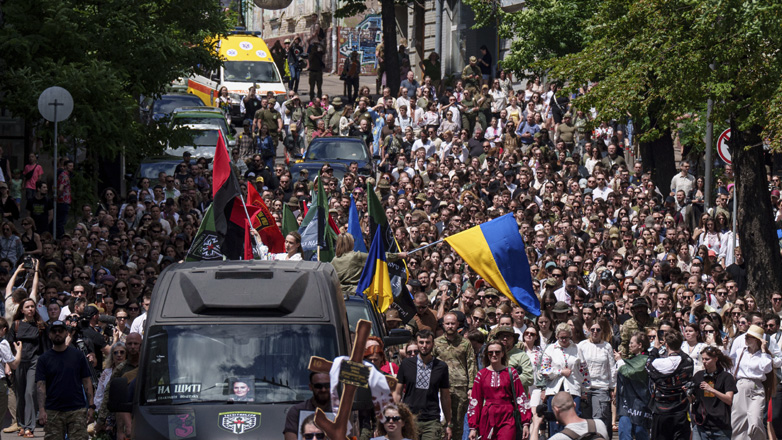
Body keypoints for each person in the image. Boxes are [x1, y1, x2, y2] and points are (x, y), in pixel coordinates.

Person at [35, 320, 95, 440]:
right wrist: (41, 410)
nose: (57, 333)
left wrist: (91, 406)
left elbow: (87, 380)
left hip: (76, 409)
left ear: (66, 333)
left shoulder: (77, 355)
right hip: (53, 410)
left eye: (60, 331)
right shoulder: (43, 359)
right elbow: (41, 386)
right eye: (54, 331)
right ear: (49, 335)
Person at [393, 329, 453, 440]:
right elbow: (397, 393)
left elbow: (445, 396)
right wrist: (394, 416)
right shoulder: (406, 364)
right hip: (409, 418)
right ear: (417, 343)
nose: (424, 346)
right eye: (421, 342)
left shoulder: (441, 367)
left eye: (427, 342)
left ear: (433, 344)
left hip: (432, 419)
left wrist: (448, 424)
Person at [467, 339, 531, 440]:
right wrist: (473, 427)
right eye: (490, 352)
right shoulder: (481, 374)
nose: (494, 355)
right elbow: (475, 401)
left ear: (502, 354)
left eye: (497, 352)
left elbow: (521, 397)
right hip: (487, 417)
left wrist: (525, 423)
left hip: (507, 416)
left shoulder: (511, 373)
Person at [9, 297, 49, 437]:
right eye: (27, 307)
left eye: (32, 306)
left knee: (30, 392)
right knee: (20, 394)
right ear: (22, 310)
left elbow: (45, 348)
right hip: (19, 362)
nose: (30, 309)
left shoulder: (40, 326)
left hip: (34, 361)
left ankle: (29, 427)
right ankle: (21, 424)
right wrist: (9, 365)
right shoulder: (16, 325)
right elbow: (8, 345)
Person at [433, 312, 477, 440]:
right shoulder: (436, 343)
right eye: (447, 324)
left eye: (453, 323)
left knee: (458, 424)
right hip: (441, 388)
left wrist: (471, 387)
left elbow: (471, 365)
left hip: (460, 387)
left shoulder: (465, 343)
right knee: (442, 423)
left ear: (458, 324)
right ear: (443, 325)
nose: (450, 326)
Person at [541, 323, 590, 436]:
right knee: (554, 420)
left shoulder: (577, 349)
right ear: (557, 336)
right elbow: (544, 370)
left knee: (573, 419)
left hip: (573, 389)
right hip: (554, 389)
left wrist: (585, 390)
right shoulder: (550, 349)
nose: (563, 340)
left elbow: (584, 370)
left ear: (570, 336)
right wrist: (560, 372)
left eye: (566, 337)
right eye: (561, 337)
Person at [645, 329, 693, 440]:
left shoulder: (657, 363)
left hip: (661, 411)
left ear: (666, 344)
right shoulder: (688, 362)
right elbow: (684, 357)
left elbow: (648, 364)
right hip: (680, 411)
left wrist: (655, 349)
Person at [730, 324, 773, 440]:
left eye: (749, 336)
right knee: (738, 422)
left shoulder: (763, 356)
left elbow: (767, 368)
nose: (745, 338)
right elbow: (729, 363)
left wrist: (764, 350)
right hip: (741, 386)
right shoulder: (740, 351)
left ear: (756, 340)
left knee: (755, 422)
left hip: (756, 388)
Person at [578, 318, 615, 439]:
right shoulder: (582, 345)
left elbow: (611, 368)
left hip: (601, 387)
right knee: (586, 422)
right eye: (592, 329)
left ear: (602, 331)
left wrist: (612, 387)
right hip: (585, 388)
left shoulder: (607, 346)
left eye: (598, 330)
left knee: (600, 420)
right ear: (588, 330)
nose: (595, 332)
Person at [690, 346, 736, 440]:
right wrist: (687, 393)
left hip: (720, 428)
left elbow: (729, 400)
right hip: (701, 425)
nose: (704, 361)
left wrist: (711, 389)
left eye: (707, 359)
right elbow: (693, 400)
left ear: (716, 359)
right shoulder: (698, 376)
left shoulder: (726, 377)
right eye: (702, 359)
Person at [614, 332, 651, 440]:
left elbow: (631, 372)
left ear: (640, 345)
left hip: (640, 402)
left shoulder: (645, 359)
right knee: (624, 430)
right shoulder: (630, 359)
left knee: (640, 431)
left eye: (632, 343)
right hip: (626, 401)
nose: (629, 345)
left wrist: (620, 361)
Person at [283, 372, 332, 440]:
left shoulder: (340, 412)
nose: (323, 389)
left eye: (327, 385)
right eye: (318, 386)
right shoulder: (296, 411)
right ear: (311, 387)